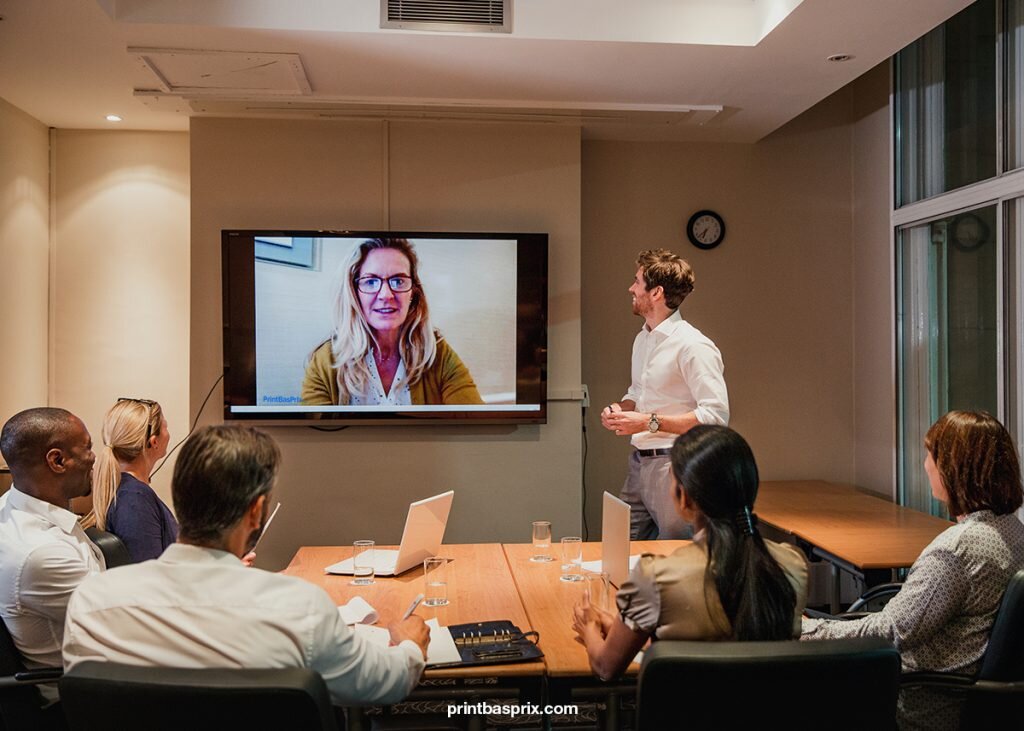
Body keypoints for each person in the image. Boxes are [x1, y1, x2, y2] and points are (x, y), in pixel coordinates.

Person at [63, 424, 429, 707]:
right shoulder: (300, 608)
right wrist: (409, 646)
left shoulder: (91, 601)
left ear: (180, 499)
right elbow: (380, 684)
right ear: (256, 511)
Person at [801, 410, 1024, 730]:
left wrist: (808, 630)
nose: (925, 465)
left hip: (918, 705)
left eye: (931, 456)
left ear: (953, 468)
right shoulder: (1014, 533)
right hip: (969, 699)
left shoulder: (955, 552)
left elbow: (890, 633)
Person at [572, 425, 808, 680]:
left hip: (687, 719)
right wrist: (619, 626)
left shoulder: (655, 577)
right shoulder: (792, 564)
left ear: (684, 498)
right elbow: (727, 644)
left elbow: (607, 667)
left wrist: (589, 628)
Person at [602, 249, 729, 539]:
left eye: (636, 282)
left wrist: (647, 422)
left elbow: (715, 417)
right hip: (639, 462)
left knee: (674, 553)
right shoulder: (643, 338)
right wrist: (620, 409)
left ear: (656, 292)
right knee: (617, 547)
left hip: (676, 465)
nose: (631, 288)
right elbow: (638, 392)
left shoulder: (693, 346)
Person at [0, 407, 104, 703]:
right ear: (57, 460)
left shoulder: (12, 506)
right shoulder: (42, 554)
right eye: (87, 447)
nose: (94, 457)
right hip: (78, 701)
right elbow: (123, 625)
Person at [301, 237, 484, 406]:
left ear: (413, 293)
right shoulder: (326, 361)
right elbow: (313, 437)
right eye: (371, 281)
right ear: (353, 293)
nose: (386, 295)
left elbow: (476, 424)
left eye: (398, 281)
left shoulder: (437, 353)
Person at [88, 397, 177, 563]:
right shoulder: (135, 499)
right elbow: (146, 575)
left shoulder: (126, 491)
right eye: (166, 426)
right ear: (154, 442)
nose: (168, 433)